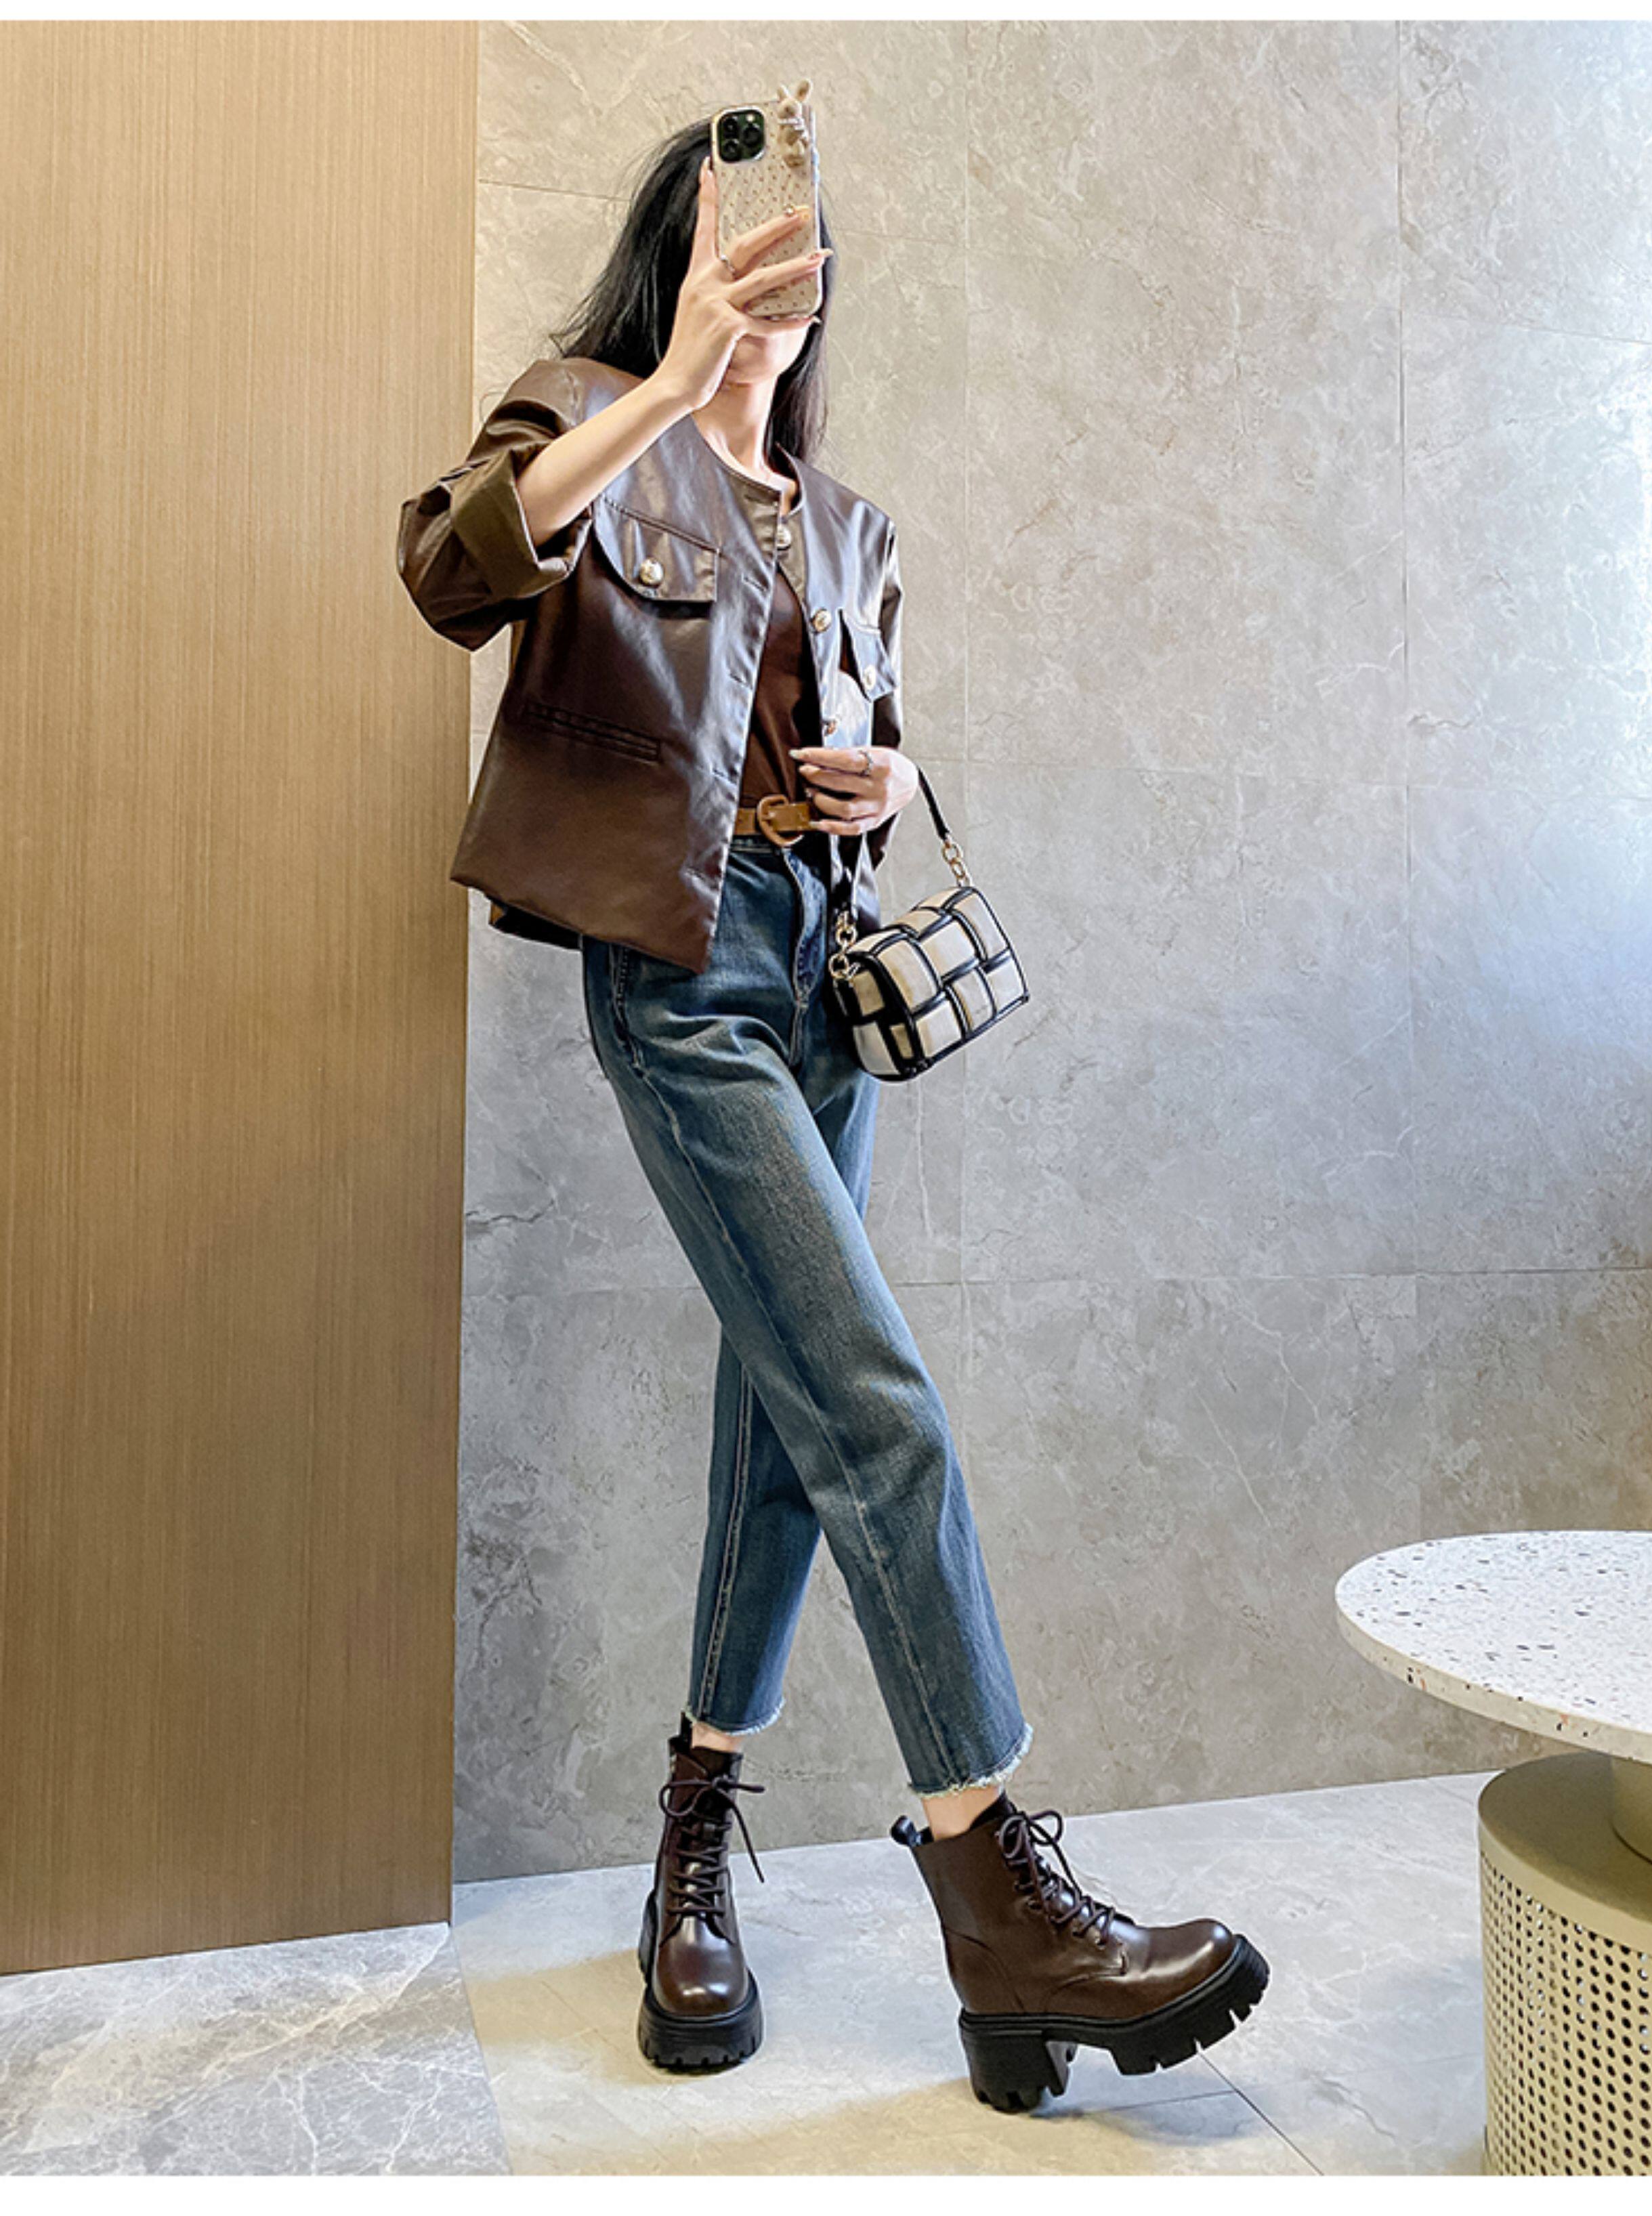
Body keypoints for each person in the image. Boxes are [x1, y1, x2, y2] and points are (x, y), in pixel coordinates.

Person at [397, 107, 1269, 2113]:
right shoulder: (589, 417)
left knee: (789, 1420)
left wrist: (879, 783)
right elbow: (452, 570)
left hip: (823, 977)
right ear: (689, 251)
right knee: (879, 1403)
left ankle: (696, 1834)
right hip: (681, 974)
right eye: (743, 242)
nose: (780, 275)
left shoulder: (852, 527)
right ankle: (996, 1889)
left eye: (800, 253)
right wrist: (673, 380)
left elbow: (825, 742)